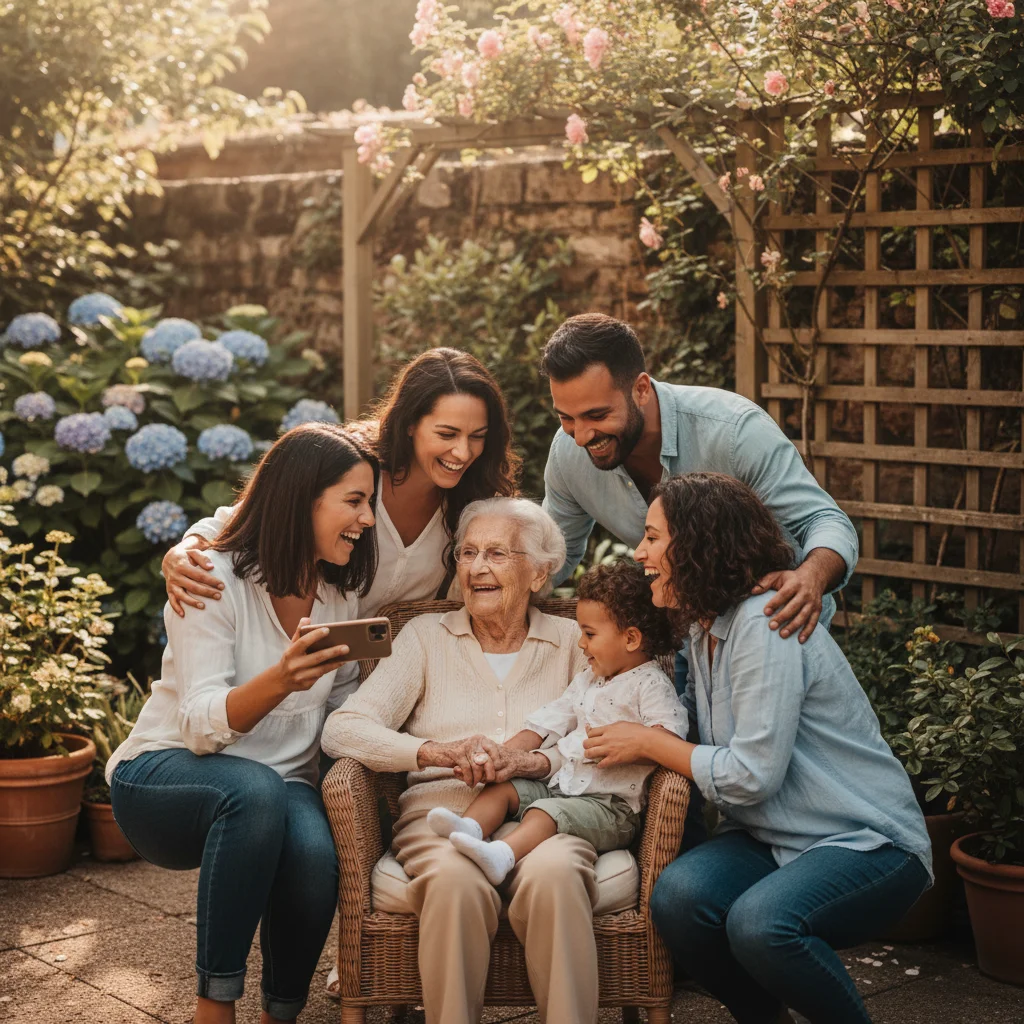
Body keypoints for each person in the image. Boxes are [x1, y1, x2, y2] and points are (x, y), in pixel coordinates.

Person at [582, 472, 932, 1024]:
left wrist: (647, 741)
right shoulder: (702, 628)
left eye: (653, 537)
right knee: (678, 899)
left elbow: (751, 776)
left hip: (866, 841)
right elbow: (687, 727)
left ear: (697, 546)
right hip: (772, 837)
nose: (639, 550)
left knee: (761, 924)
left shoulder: (762, 625)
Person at [107, 424, 378, 1024]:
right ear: (301, 497)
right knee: (254, 791)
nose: (367, 520)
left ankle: (281, 1012)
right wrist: (282, 678)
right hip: (165, 774)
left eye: (370, 503)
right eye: (354, 502)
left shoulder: (338, 595)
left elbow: (342, 710)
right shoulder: (210, 575)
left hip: (283, 786)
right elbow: (202, 726)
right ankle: (214, 1008)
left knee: (314, 855)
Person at [321, 497, 605, 1024]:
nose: (476, 568)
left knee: (558, 876)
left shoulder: (574, 642)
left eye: (497, 554)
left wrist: (529, 763)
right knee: (455, 881)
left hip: (548, 819)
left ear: (540, 572)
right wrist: (433, 752)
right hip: (438, 817)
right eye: (468, 553)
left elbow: (607, 739)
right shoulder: (427, 638)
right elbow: (344, 728)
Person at [541, 312, 859, 645]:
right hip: (683, 643)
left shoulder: (735, 433)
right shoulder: (567, 454)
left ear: (641, 389)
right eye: (566, 417)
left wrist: (811, 577)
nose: (580, 436)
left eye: (598, 415)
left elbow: (824, 520)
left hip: (776, 633)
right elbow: (552, 555)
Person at [161, 346, 519, 619]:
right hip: (306, 662)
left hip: (390, 679)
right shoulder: (355, 468)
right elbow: (250, 517)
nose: (462, 451)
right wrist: (183, 550)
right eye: (447, 433)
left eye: (478, 436)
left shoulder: (475, 508)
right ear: (410, 424)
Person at [426, 559, 685, 885]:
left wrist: (637, 744)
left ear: (631, 639)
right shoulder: (591, 679)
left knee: (544, 813)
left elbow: (669, 738)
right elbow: (548, 721)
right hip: (563, 788)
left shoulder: (651, 685)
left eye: (589, 634)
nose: (581, 644)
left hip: (611, 809)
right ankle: (470, 828)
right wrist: (499, 754)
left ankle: (502, 855)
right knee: (505, 787)